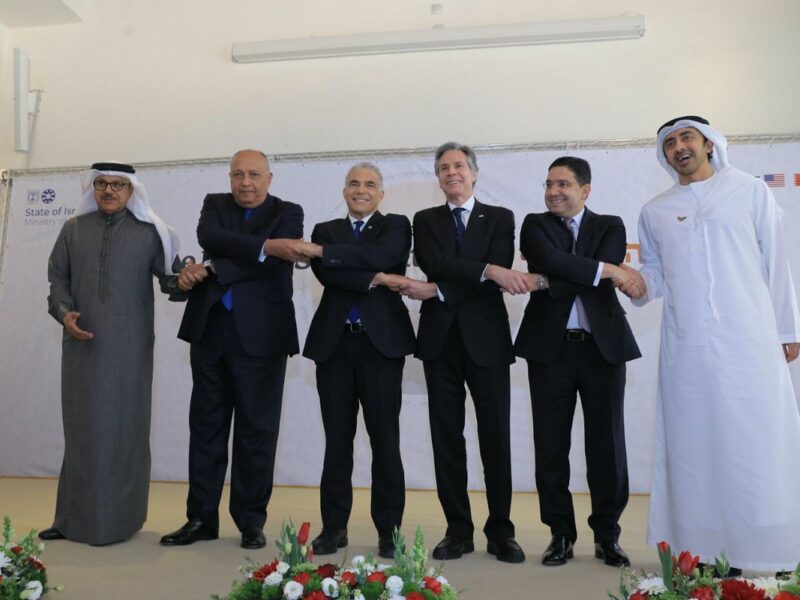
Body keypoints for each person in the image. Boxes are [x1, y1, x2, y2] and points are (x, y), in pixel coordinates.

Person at [622, 116, 800, 572]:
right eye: (668, 143)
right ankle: (704, 552)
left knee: (756, 442)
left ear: (708, 143)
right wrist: (632, 281)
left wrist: (787, 330)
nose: (678, 147)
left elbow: (776, 261)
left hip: (751, 340)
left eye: (686, 138)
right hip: (689, 348)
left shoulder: (749, 190)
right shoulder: (655, 209)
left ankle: (772, 547)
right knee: (695, 445)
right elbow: (657, 276)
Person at [160, 149, 304, 550]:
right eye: (238, 174)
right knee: (205, 428)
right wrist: (264, 246)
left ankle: (250, 522)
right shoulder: (214, 205)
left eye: (254, 175)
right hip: (211, 332)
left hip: (262, 338)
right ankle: (201, 518)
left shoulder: (289, 212)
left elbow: (276, 261)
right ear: (229, 177)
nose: (246, 182)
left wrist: (215, 266)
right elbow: (212, 238)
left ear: (269, 178)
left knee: (256, 432)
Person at [41, 161, 184, 545]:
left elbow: (171, 283)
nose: (108, 191)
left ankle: (121, 521)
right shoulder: (73, 230)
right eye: (101, 184)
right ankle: (70, 518)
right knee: (83, 430)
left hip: (130, 350)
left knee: (123, 430)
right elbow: (58, 278)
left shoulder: (150, 233)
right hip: (82, 348)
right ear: (93, 188)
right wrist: (63, 312)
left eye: (117, 185)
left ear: (131, 191)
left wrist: (186, 278)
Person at [404, 142, 532, 563]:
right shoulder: (424, 219)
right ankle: (458, 530)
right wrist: (486, 271)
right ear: (438, 177)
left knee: (495, 437)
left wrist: (444, 287)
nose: (451, 173)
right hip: (440, 342)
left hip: (488, 342)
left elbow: (483, 264)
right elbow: (432, 261)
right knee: (447, 439)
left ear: (474, 173)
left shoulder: (500, 217)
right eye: (443, 168)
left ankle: (501, 532)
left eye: (459, 166)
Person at [513, 156, 641, 567]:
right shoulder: (534, 224)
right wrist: (605, 271)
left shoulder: (611, 225)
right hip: (550, 349)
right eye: (549, 184)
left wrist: (552, 279)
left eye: (563, 184)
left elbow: (559, 270)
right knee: (551, 445)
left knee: (607, 445)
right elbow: (552, 261)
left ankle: (608, 535)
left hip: (601, 348)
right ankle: (560, 534)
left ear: (585, 190)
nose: (553, 191)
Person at [296, 162, 416, 559]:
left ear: (381, 194)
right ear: (344, 191)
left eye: (369, 185)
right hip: (335, 347)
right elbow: (328, 275)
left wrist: (334, 257)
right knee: (337, 442)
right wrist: (376, 275)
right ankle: (334, 529)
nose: (360, 190)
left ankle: (388, 531)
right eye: (353, 184)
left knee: (386, 441)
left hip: (380, 347)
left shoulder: (396, 225)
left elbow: (387, 254)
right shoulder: (325, 230)